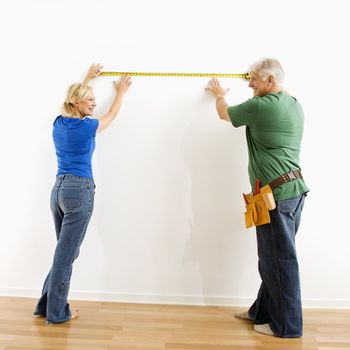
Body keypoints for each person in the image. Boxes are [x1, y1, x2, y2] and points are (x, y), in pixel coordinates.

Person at [206, 58, 309, 338]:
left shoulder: (261, 106)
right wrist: (262, 80)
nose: (249, 84)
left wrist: (219, 95)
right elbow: (280, 89)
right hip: (294, 192)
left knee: (278, 261)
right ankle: (260, 312)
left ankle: (287, 327)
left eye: (254, 79)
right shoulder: (293, 103)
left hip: (275, 196)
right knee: (275, 258)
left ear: (271, 82)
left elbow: (224, 114)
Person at [33, 64, 132, 324]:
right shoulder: (86, 127)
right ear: (76, 102)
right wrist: (121, 92)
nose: (94, 103)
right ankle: (57, 313)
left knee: (63, 253)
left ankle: (45, 305)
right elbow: (110, 115)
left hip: (58, 192)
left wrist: (87, 80)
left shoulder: (59, 122)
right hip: (79, 191)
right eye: (89, 99)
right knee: (66, 255)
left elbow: (72, 99)